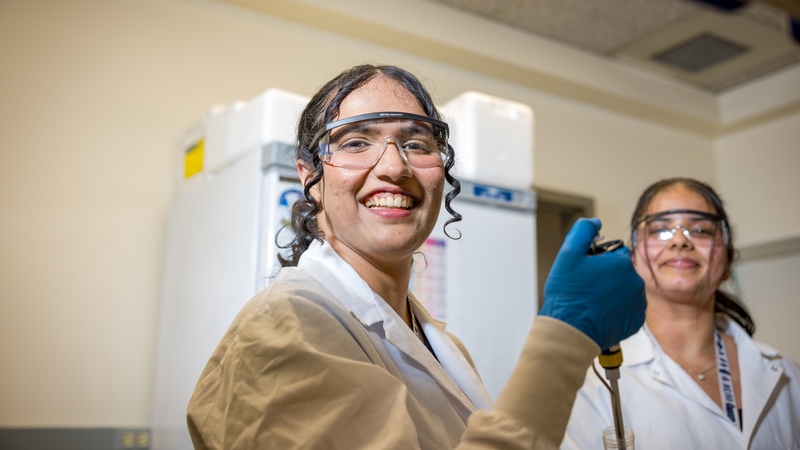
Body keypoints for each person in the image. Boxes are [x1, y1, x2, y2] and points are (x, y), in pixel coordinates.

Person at [186, 64, 646, 450]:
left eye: (417, 144)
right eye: (355, 142)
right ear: (310, 178)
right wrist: (565, 336)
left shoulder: (435, 340)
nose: (393, 167)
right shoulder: (281, 328)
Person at [561, 178, 800, 449]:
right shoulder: (595, 385)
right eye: (660, 230)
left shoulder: (787, 374)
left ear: (727, 260)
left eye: (699, 230)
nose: (679, 241)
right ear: (633, 256)